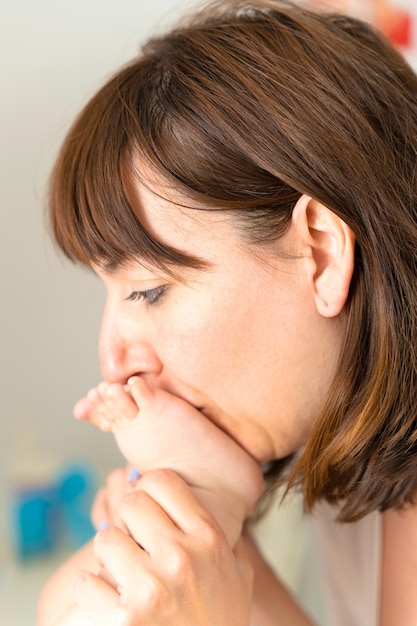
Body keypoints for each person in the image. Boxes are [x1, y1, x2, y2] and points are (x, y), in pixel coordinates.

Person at [38, 0, 417, 623]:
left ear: (320, 254)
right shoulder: (345, 430)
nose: (112, 360)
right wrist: (222, 552)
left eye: (149, 290)